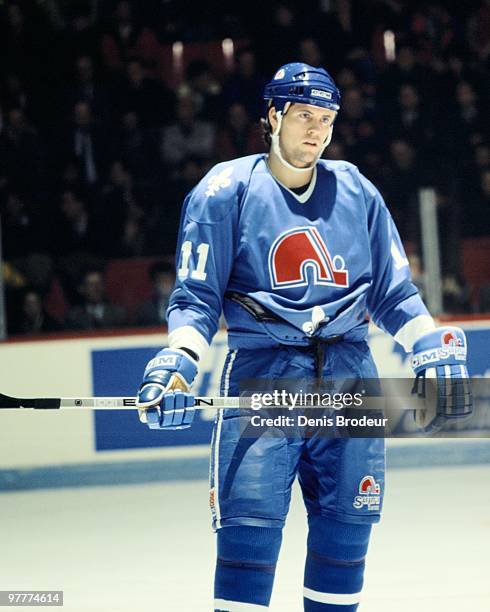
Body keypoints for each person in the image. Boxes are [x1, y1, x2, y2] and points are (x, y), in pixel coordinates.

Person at [136, 63, 472, 611]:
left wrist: (426, 342)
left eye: (327, 118)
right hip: (265, 377)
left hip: (349, 375)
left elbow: (392, 292)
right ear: (272, 117)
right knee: (249, 536)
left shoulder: (357, 190)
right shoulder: (225, 191)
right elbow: (196, 298)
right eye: (303, 117)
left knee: (346, 532)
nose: (316, 131)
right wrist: (178, 361)